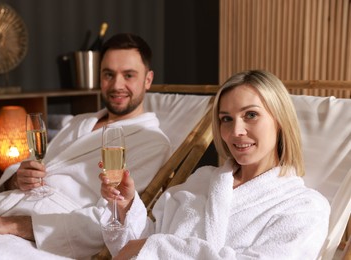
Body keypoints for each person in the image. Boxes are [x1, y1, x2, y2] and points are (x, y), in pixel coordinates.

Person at [0, 33, 171, 259]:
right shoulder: (81, 121)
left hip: (48, 233)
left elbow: (111, 218)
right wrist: (18, 178)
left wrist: (15, 225)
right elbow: (43, 165)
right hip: (8, 208)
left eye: (128, 75)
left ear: (148, 80)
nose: (116, 85)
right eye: (108, 74)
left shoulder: (152, 142)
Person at [100, 70, 330, 259]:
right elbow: (137, 246)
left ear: (280, 120)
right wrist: (126, 205)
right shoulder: (201, 180)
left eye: (251, 115)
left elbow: (148, 248)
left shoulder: (305, 207)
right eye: (226, 119)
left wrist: (154, 248)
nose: (236, 132)